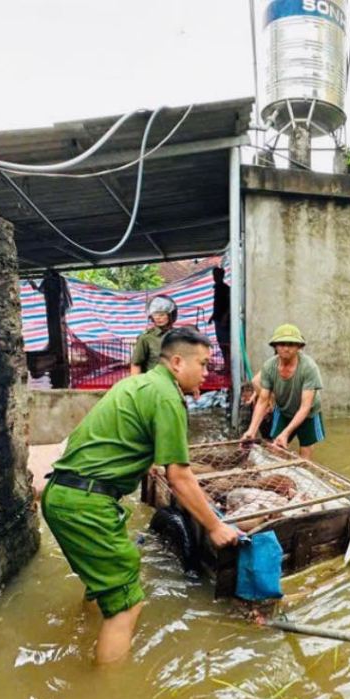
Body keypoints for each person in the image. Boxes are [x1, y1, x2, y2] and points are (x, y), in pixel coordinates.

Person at [42, 326, 240, 664]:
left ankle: (84, 633)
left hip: (60, 495)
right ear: (178, 362)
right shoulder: (166, 396)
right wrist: (215, 527)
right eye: (204, 364)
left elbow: (120, 439)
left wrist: (145, 461)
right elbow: (179, 477)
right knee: (128, 606)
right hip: (87, 505)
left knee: (103, 585)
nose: (208, 373)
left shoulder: (137, 384)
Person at [242, 324, 325, 460]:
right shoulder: (269, 366)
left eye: (291, 344)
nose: (286, 348)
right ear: (275, 346)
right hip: (283, 408)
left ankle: (304, 473)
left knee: (305, 450)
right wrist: (251, 430)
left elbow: (305, 407)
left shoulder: (309, 367)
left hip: (308, 413)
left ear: (299, 347)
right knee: (275, 447)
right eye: (281, 344)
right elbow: (263, 401)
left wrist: (286, 433)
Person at [131, 295, 177, 375]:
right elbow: (136, 364)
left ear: (170, 315)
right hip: (153, 383)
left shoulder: (179, 336)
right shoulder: (146, 338)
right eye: (155, 314)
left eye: (162, 314)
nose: (158, 318)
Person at [209, 266, 231, 375]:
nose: (215, 277)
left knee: (226, 345)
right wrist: (212, 316)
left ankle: (229, 368)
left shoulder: (225, 288)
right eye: (214, 275)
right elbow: (217, 305)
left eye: (217, 275)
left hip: (224, 322)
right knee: (222, 344)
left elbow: (229, 305)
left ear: (222, 276)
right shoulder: (217, 288)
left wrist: (225, 317)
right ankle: (226, 367)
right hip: (218, 320)